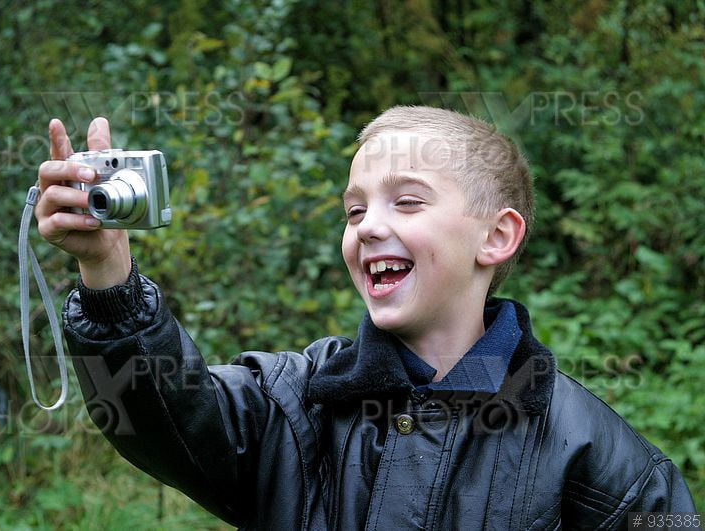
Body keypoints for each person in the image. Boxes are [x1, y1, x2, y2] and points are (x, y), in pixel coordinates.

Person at [36, 107, 696, 529]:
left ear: (497, 237)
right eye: (355, 211)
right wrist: (109, 275)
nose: (368, 226)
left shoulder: (600, 459)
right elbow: (167, 415)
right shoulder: (294, 404)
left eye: (407, 202)